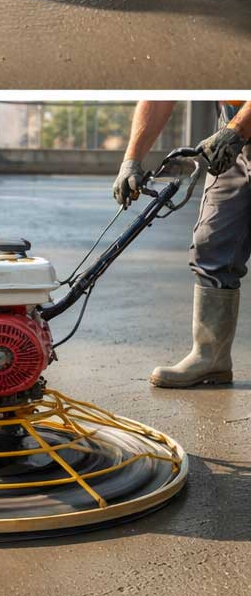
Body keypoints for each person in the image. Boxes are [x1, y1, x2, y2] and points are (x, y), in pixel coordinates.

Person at [112, 99, 251, 386]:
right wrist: (131, 159)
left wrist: (236, 130)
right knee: (211, 243)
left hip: (235, 132)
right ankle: (211, 357)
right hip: (233, 143)